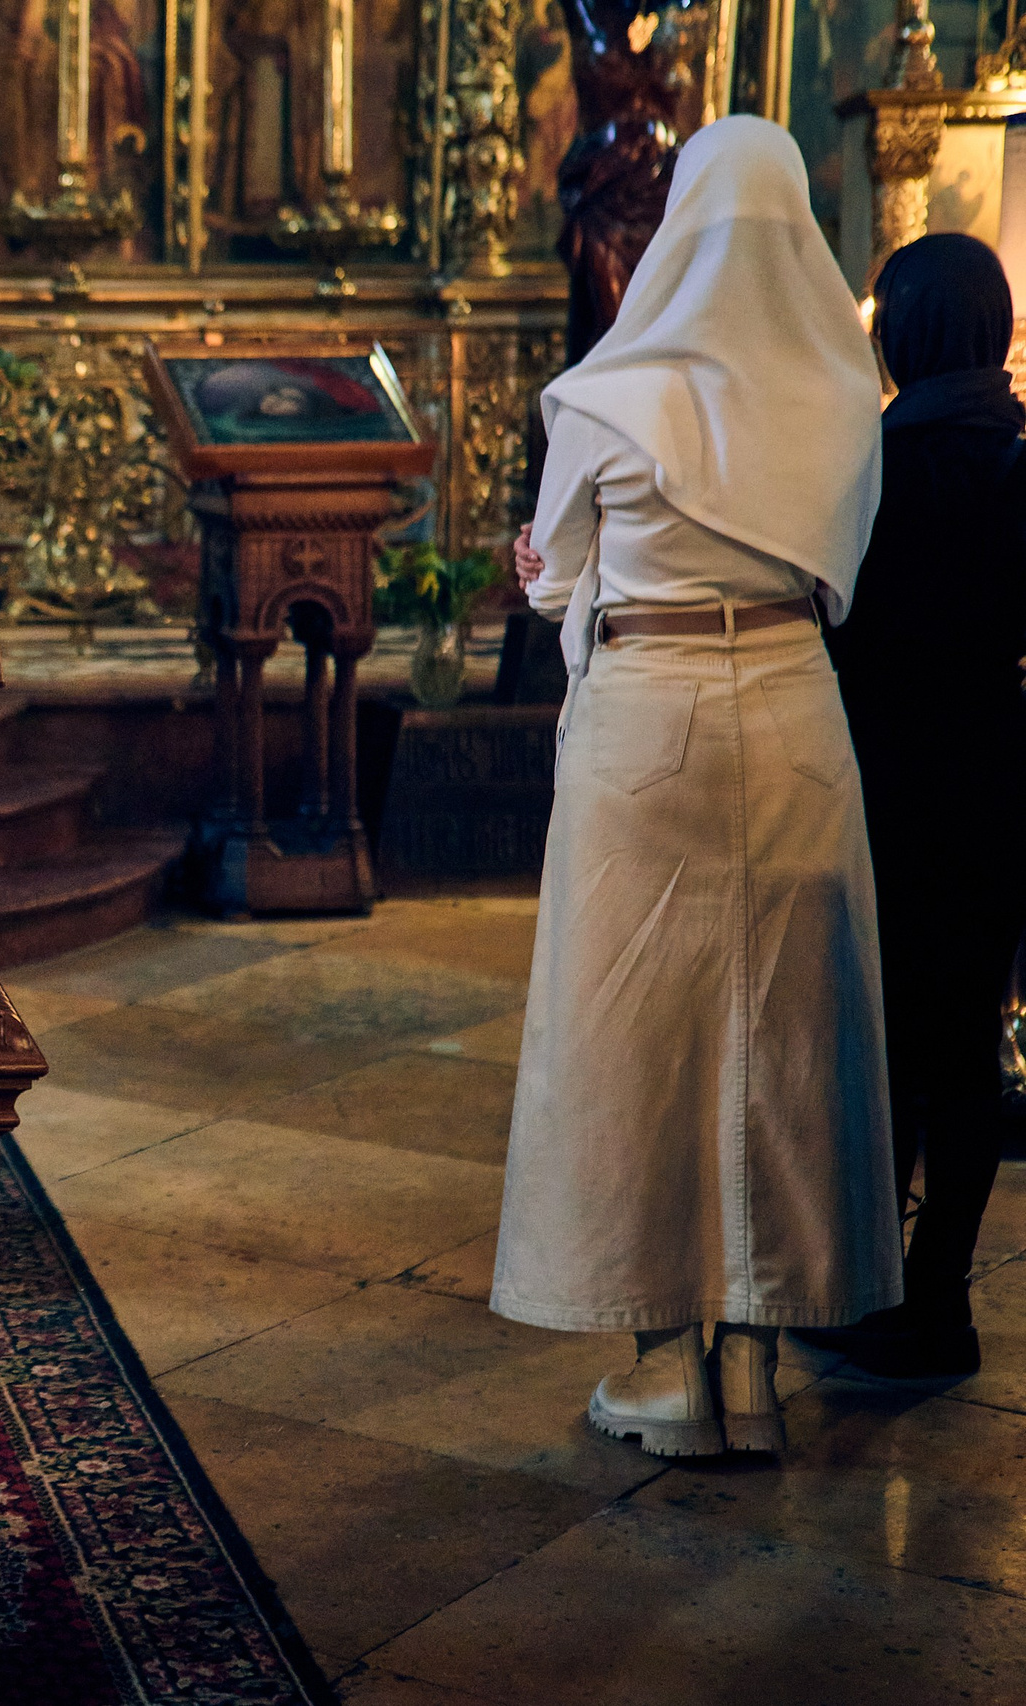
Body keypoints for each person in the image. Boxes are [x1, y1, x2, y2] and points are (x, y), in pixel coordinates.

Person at [496, 117, 899, 1458]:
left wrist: (564, 578)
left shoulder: (614, 396)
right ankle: (758, 1368)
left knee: (637, 1041)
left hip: (648, 714)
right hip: (794, 709)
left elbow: (554, 572)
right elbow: (844, 569)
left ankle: (664, 1364)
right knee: (786, 1037)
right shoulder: (847, 391)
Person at [805, 233, 1026, 1378]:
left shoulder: (870, 465)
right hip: (996, 775)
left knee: (888, 1041)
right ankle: (942, 1295)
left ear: (900, 331)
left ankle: (882, 1291)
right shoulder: (1017, 454)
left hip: (885, 776)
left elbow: (830, 619)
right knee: (968, 1043)